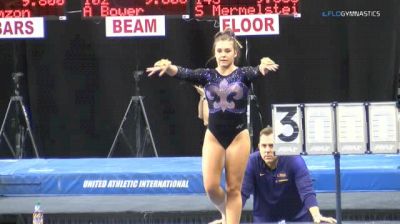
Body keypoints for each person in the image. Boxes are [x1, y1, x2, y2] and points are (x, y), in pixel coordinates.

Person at [146, 28, 278, 224]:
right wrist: (170, 66)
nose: (223, 55)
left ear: (235, 53)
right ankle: (226, 214)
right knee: (210, 187)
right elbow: (184, 73)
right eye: (219, 51)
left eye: (227, 51)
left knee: (234, 188)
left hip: (238, 137)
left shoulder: (244, 74)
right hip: (214, 136)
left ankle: (231, 220)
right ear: (214, 52)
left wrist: (263, 66)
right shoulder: (206, 75)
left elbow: (259, 70)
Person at [241, 126, 337, 223]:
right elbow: (242, 193)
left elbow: (307, 191)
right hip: (264, 220)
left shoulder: (294, 160)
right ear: (258, 146)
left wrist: (317, 216)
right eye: (264, 146)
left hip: (297, 219)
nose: (267, 150)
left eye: (271, 145)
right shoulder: (252, 162)